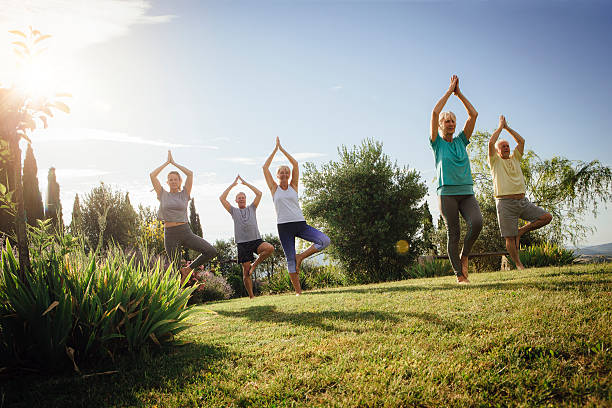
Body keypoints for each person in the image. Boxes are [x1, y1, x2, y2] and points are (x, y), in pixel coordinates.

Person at [430, 75, 483, 283]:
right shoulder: (437, 143)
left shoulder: (462, 140)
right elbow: (434, 112)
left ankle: (465, 254)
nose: (450, 123)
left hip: (466, 192)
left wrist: (458, 94)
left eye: (453, 120)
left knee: (477, 222)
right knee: (453, 233)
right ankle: (460, 275)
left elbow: (474, 114)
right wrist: (448, 90)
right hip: (447, 194)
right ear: (441, 125)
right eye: (447, 121)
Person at [263, 137, 330, 295]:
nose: (285, 174)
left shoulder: (294, 186)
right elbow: (265, 167)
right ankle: (299, 293)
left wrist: (283, 150)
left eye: (287, 172)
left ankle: (301, 256)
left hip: (300, 223)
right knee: (290, 260)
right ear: (278, 175)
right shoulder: (273, 188)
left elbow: (296, 165)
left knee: (325, 241)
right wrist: (275, 150)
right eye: (282, 172)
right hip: (284, 227)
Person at [488, 115, 552, 269]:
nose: (506, 148)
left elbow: (521, 141)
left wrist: (507, 128)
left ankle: (521, 231)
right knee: (509, 237)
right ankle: (518, 264)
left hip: (523, 201)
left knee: (546, 217)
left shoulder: (515, 158)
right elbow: (491, 142)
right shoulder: (495, 161)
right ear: (497, 151)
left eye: (507, 146)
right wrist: (500, 127)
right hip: (504, 203)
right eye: (503, 146)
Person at [150, 150, 217, 283]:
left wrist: (174, 163)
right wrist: (166, 163)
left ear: (180, 181)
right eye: (171, 180)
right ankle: (178, 299)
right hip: (170, 234)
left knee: (211, 251)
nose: (173, 181)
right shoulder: (162, 194)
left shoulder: (185, 193)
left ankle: (188, 269)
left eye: (176, 179)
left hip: (185, 232)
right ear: (167, 182)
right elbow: (152, 175)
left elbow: (190, 174)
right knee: (175, 269)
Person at [219, 175, 274, 298]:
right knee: (246, 272)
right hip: (242, 244)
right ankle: (251, 296)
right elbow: (222, 198)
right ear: (236, 201)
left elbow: (259, 194)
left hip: (256, 240)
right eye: (239, 198)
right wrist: (233, 184)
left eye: (243, 198)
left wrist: (245, 183)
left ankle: (255, 264)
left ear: (245, 199)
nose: (242, 199)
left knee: (269, 248)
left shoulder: (252, 208)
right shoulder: (233, 211)